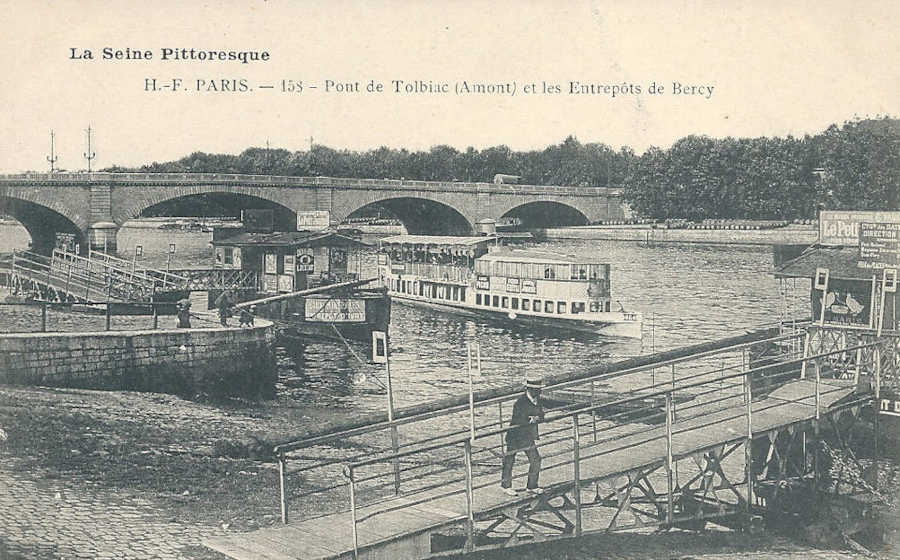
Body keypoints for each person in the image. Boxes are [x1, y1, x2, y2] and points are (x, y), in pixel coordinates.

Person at [500, 374, 545, 495]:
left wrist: (536, 418)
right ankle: (506, 486)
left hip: (527, 436)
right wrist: (528, 420)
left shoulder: (538, 401)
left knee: (536, 459)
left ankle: (532, 485)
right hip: (515, 436)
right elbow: (517, 419)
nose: (539, 392)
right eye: (537, 390)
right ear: (530, 389)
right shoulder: (520, 402)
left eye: (539, 389)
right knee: (509, 460)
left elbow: (542, 415)